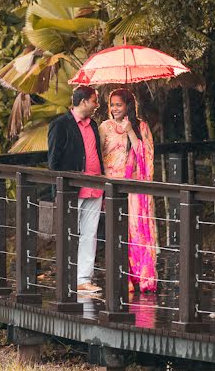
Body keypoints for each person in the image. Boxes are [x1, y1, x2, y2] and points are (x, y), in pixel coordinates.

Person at [99, 88, 157, 293]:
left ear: (128, 106)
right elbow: (99, 155)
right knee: (116, 232)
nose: (115, 108)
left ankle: (141, 277)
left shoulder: (141, 127)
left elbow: (146, 156)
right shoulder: (105, 127)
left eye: (119, 104)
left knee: (135, 231)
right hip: (112, 187)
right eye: (112, 104)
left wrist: (130, 130)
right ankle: (121, 277)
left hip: (134, 189)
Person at [47, 85, 104, 293]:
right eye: (94, 100)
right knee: (69, 233)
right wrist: (62, 185)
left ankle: (83, 279)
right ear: (83, 102)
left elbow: (95, 153)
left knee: (90, 234)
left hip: (95, 186)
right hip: (72, 188)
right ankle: (67, 277)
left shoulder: (94, 125)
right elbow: (53, 162)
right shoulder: (60, 125)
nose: (97, 105)